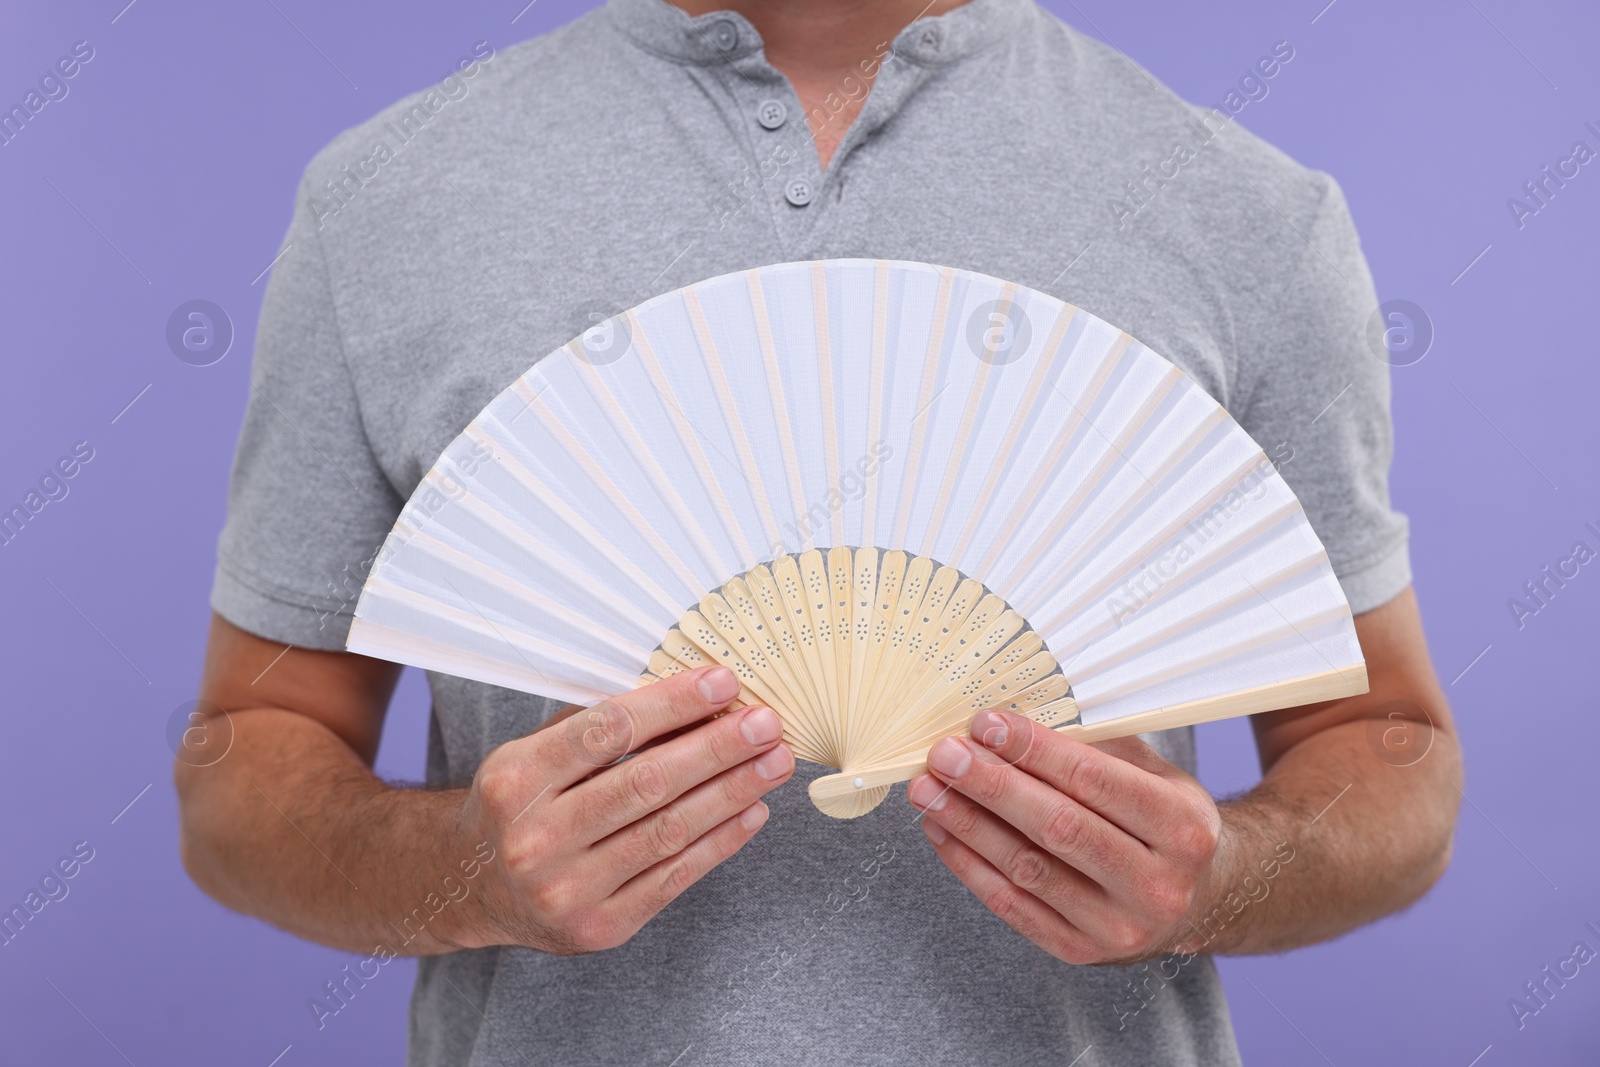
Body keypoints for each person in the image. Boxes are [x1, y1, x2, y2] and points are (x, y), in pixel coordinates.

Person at [177, 0, 1462, 1063]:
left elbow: (1390, 751)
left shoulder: (1252, 221)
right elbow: (244, 767)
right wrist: (465, 863)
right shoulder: (387, 206)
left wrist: (1225, 867)